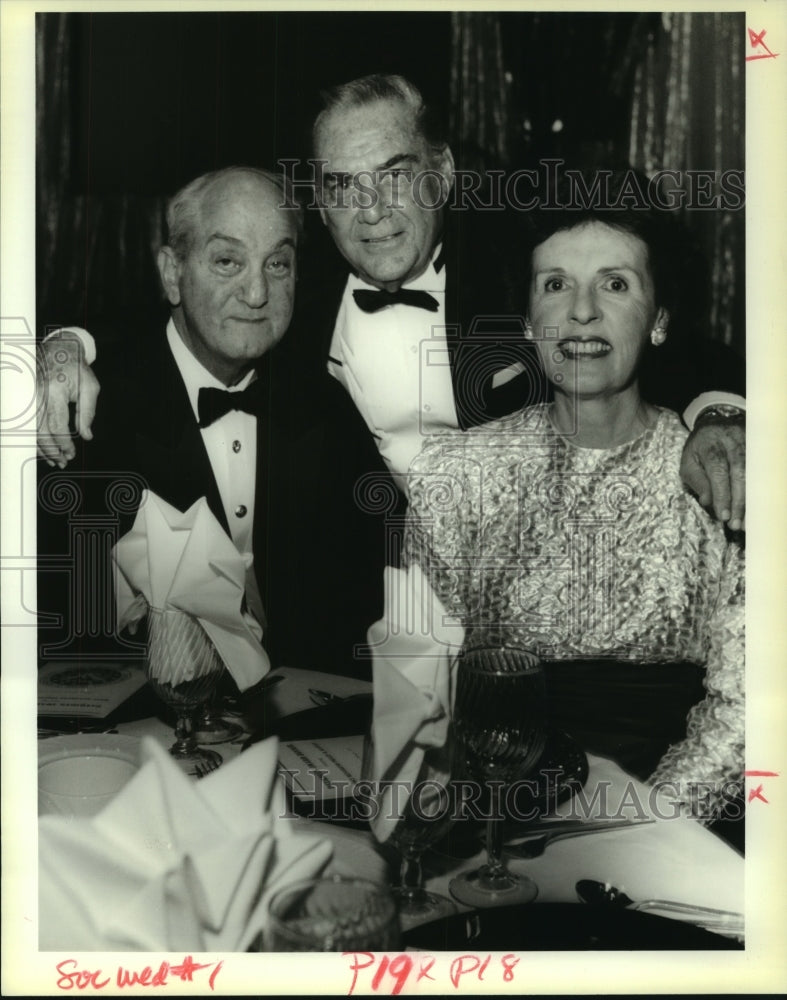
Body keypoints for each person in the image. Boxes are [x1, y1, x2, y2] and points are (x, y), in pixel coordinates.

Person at [38, 74, 746, 531]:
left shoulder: (514, 265)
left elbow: (648, 332)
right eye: (343, 187)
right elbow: (186, 308)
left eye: (393, 175)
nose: (370, 211)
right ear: (319, 203)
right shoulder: (292, 293)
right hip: (378, 602)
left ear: (440, 172)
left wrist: (715, 412)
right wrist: (69, 342)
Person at [403, 176, 744, 825]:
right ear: (529, 320)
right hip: (490, 811)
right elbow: (417, 689)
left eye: (614, 284)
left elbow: (744, 712)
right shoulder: (455, 474)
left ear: (660, 320)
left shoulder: (717, 479)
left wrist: (637, 828)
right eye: (555, 283)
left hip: (670, 823)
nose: (581, 310)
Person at [36, 166, 384, 681]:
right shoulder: (88, 408)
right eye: (227, 261)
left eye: (278, 264)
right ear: (172, 273)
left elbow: (362, 602)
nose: (257, 293)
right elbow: (54, 622)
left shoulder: (327, 408)